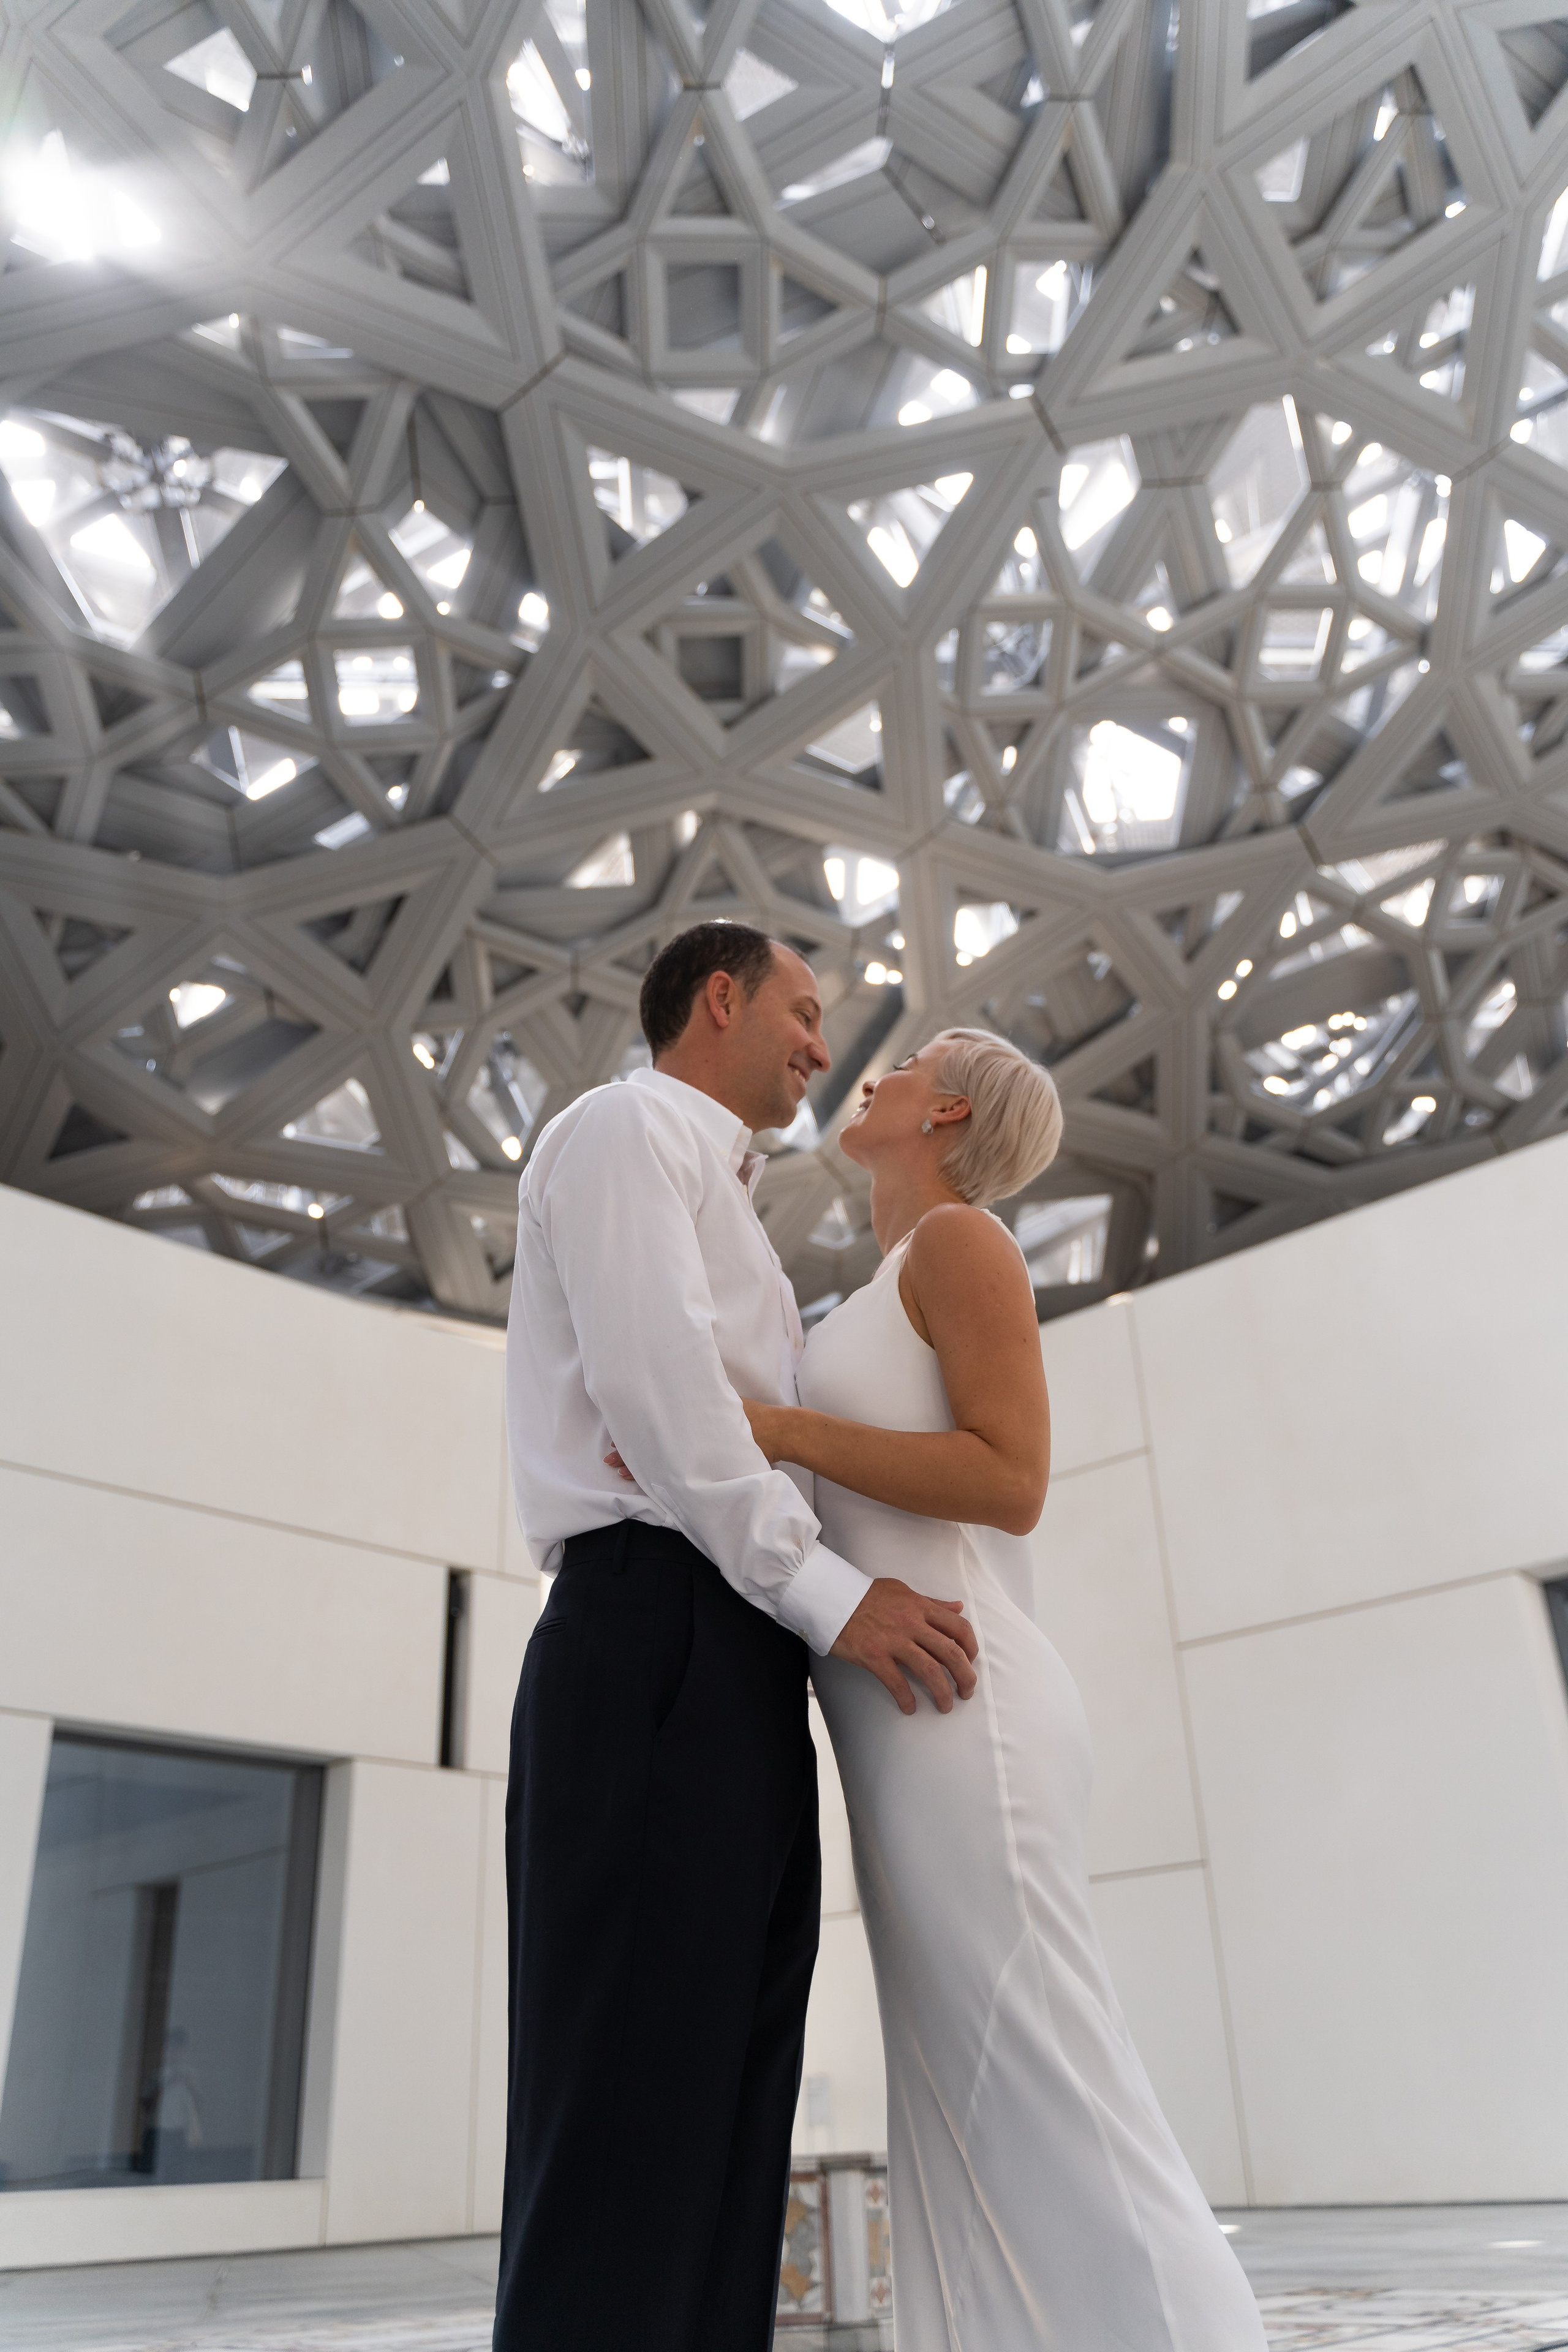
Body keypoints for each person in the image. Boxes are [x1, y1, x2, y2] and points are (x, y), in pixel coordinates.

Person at [737, 1030, 1270, 2352]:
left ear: (949, 1109)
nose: (874, 1073)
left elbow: (1007, 1478)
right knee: (954, 2088)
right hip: (899, 1721)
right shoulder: (877, 1283)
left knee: (1038, 2067)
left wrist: (783, 1430)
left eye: (906, 1066)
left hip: (964, 1711)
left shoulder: (961, 1245)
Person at [495, 922, 978, 2352]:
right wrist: (836, 1594)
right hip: (655, 1634)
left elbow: (738, 1421)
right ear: (720, 999)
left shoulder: (728, 1203)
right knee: (627, 2121)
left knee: (723, 2110)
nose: (822, 1052)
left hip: (738, 1658)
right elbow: (663, 1395)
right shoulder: (624, 1130)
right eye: (804, 1012)